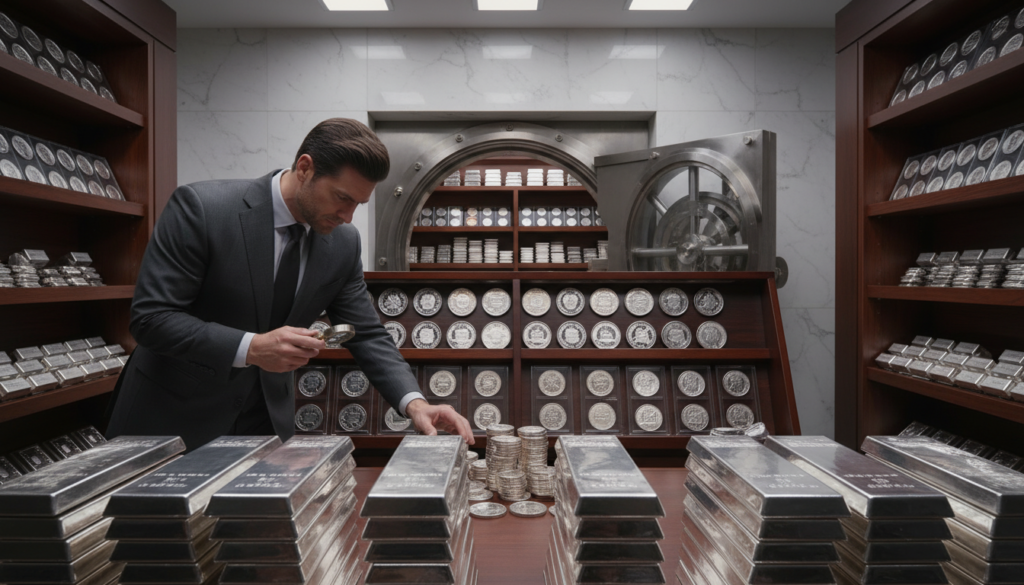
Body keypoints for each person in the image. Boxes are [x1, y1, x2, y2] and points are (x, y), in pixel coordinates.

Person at [106, 118, 474, 450]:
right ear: (304, 168)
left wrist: (415, 403)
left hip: (262, 425)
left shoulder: (343, 243)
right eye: (342, 198)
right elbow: (151, 319)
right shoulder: (203, 208)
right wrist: (251, 347)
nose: (348, 217)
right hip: (171, 420)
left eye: (358, 205)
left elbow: (366, 333)